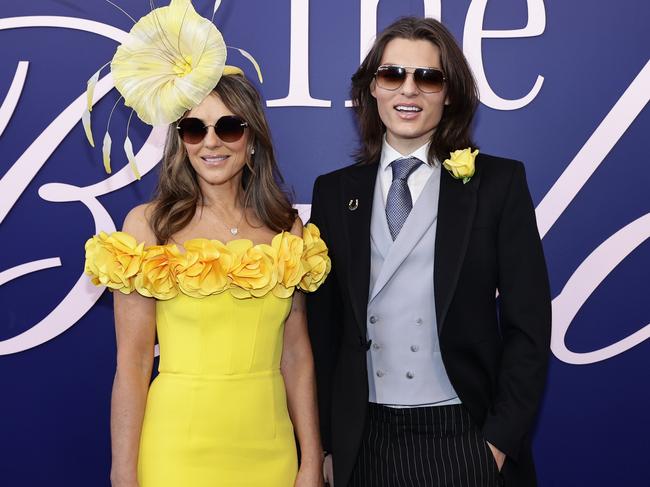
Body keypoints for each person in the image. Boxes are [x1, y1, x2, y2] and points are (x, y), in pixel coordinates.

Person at [83, 2, 329, 486]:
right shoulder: (147, 227)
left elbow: (297, 355)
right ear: (180, 140)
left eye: (229, 127)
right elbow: (131, 365)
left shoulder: (287, 230)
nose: (211, 142)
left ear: (252, 138)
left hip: (270, 448)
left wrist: (310, 460)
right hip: (177, 449)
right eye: (195, 128)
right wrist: (123, 473)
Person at [307, 16, 551, 487]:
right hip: (365, 441)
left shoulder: (498, 184)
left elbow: (529, 326)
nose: (408, 91)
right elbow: (324, 330)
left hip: (464, 437)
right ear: (371, 89)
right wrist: (329, 444)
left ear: (451, 93)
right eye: (393, 75)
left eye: (428, 77)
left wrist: (496, 446)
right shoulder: (334, 192)